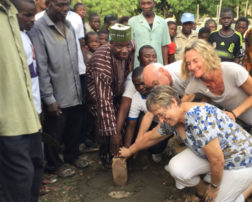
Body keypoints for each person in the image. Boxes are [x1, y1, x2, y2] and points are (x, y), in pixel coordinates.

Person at [120, 85, 252, 202]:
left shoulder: (198, 120)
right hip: (215, 155)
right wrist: (130, 150)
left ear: (173, 102)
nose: (160, 120)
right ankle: (206, 190)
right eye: (157, 116)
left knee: (216, 200)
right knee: (177, 168)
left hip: (239, 162)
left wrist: (214, 187)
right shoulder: (172, 119)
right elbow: (151, 137)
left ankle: (249, 188)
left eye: (161, 114)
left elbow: (217, 160)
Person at [182, 39, 252, 183]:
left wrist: (234, 114)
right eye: (188, 63)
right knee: (229, 141)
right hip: (236, 112)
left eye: (195, 61)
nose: (192, 67)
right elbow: (182, 106)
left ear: (207, 56)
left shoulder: (231, 70)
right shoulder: (196, 84)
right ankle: (230, 169)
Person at [29, 0, 88, 177]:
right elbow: (41, 65)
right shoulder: (38, 28)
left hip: (75, 86)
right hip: (56, 90)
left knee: (74, 126)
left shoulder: (69, 24)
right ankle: (54, 164)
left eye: (67, 4)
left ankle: (72, 155)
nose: (65, 9)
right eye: (60, 5)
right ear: (48, 4)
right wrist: (49, 98)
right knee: (55, 130)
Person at [0, 0, 43, 201]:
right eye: (27, 15)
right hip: (8, 118)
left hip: (29, 112)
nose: (31, 20)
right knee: (20, 176)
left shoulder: (15, 23)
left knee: (35, 167)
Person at [86, 23, 134, 166]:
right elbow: (104, 102)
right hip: (98, 96)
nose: (125, 51)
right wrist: (114, 134)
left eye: (127, 46)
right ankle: (106, 154)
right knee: (105, 126)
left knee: (121, 122)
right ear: (110, 43)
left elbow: (129, 64)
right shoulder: (101, 62)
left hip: (116, 90)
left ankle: (120, 152)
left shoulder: (131, 45)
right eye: (119, 46)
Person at [115, 45, 158, 149]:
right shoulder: (134, 80)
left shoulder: (161, 73)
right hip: (146, 116)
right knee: (140, 120)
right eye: (147, 56)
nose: (151, 59)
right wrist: (116, 133)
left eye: (154, 56)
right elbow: (124, 107)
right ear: (139, 58)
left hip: (164, 117)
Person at [129, 0, 171, 67]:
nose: (146, 6)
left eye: (149, 3)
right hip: (139, 65)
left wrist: (165, 66)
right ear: (140, 4)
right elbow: (131, 47)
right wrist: (130, 68)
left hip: (158, 65)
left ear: (154, 4)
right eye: (143, 3)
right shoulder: (132, 22)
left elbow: (164, 46)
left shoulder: (162, 22)